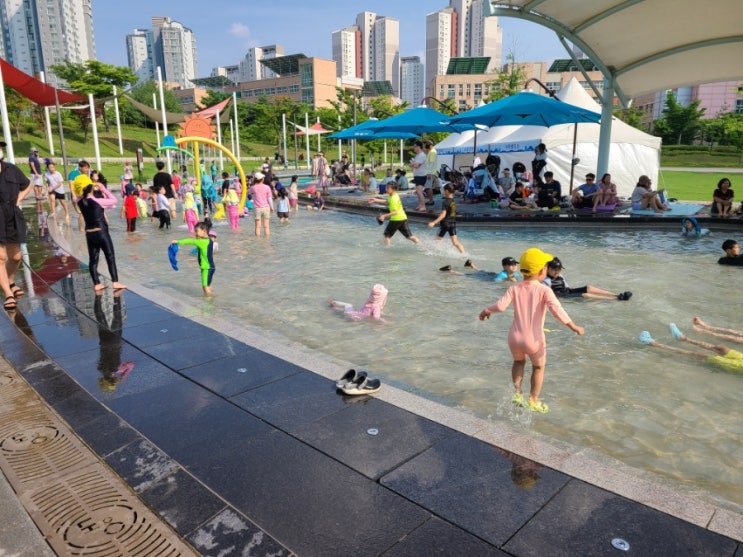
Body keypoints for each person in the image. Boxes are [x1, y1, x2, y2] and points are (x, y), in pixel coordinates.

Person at [478, 247, 584, 413]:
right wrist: (573, 326)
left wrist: (486, 310)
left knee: (519, 362)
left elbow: (500, 306)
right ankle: (533, 400)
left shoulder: (514, 288)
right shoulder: (544, 290)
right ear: (543, 271)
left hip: (514, 338)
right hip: (534, 339)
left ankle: (517, 393)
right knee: (538, 367)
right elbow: (557, 310)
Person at [638, 323, 743, 374]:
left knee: (703, 355)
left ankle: (652, 344)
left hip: (738, 367)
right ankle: (683, 338)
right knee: (721, 348)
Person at [77, 183, 126, 292]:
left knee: (93, 260)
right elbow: (114, 200)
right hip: (101, 232)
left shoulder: (79, 201)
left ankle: (97, 284)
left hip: (89, 234)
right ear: (91, 190)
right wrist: (103, 188)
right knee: (110, 257)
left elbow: (78, 195)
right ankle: (115, 282)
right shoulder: (98, 201)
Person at [0, 142, 32, 309]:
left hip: (12, 214)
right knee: (1, 257)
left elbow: (27, 185)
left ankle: (10, 280)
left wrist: (19, 199)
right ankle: (8, 293)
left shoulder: (11, 169)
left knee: (16, 257)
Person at [543, 257, 632, 301]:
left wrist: (576, 290)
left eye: (559, 269)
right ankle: (616, 299)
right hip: (562, 296)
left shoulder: (560, 276)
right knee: (586, 295)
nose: (558, 272)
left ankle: (617, 295)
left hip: (567, 291)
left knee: (588, 288)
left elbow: (568, 287)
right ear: (548, 269)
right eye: (555, 270)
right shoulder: (545, 280)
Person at [369, 182, 420, 247]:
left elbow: (395, 212)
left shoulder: (393, 199)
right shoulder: (394, 195)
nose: (386, 189)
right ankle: (422, 246)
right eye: (386, 187)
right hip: (403, 218)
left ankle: (388, 250)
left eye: (388, 188)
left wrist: (384, 216)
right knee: (409, 236)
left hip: (396, 219)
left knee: (387, 235)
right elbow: (387, 202)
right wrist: (376, 200)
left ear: (393, 189)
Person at [172, 221, 215, 295]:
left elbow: (190, 241)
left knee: (205, 287)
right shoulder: (208, 240)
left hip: (206, 268)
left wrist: (178, 242)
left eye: (196, 231)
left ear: (204, 231)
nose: (195, 233)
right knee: (207, 285)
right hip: (210, 267)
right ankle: (213, 297)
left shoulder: (202, 242)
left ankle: (209, 302)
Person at [428, 184, 465, 253]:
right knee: (455, 243)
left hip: (445, 224)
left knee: (437, 241)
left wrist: (433, 222)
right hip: (452, 224)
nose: (443, 192)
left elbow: (443, 215)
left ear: (447, 191)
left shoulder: (445, 202)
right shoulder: (453, 201)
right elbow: (450, 212)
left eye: (444, 190)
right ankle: (464, 254)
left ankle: (436, 254)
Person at [249, 171, 273, 237]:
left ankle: (258, 241)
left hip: (257, 208)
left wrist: (253, 200)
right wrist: (272, 207)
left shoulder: (253, 187)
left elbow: (250, 196)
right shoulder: (267, 187)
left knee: (257, 226)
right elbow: (269, 199)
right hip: (266, 207)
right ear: (262, 179)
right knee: (266, 226)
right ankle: (267, 241)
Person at [410, 141, 428, 212]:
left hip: (422, 175)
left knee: (419, 191)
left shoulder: (422, 155)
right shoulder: (417, 155)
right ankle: (420, 205)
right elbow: (412, 165)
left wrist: (413, 164)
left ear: (419, 147)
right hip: (417, 175)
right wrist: (413, 164)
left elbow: (416, 166)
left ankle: (423, 206)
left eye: (415, 146)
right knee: (418, 191)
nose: (413, 148)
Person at [423, 139, 438, 206]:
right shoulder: (431, 151)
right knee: (427, 187)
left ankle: (431, 201)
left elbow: (431, 163)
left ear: (431, 145)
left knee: (428, 187)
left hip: (430, 173)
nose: (426, 145)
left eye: (427, 144)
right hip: (430, 172)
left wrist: (429, 172)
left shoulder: (432, 152)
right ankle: (430, 200)